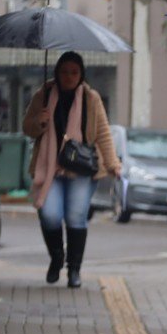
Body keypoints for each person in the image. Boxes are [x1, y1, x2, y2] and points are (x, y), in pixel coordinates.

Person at [22, 51, 121, 289]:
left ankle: (74, 270)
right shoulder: (43, 94)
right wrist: (40, 122)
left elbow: (103, 133)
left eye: (74, 72)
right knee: (50, 215)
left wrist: (113, 164)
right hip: (50, 167)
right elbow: (27, 127)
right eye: (64, 72)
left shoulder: (91, 98)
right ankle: (57, 258)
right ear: (57, 72)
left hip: (81, 168)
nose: (69, 77)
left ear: (81, 74)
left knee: (76, 216)